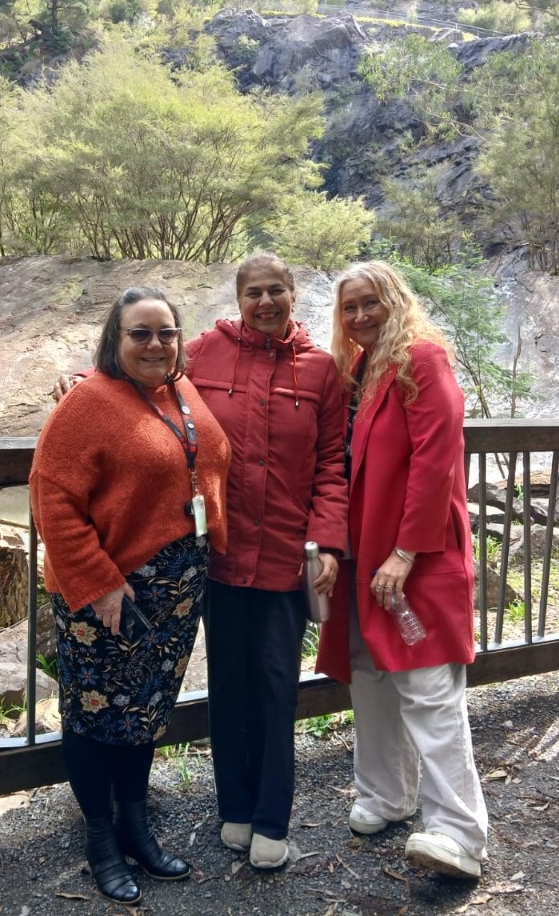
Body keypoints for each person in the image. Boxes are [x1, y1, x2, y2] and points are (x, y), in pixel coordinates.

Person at [54, 253, 349, 870]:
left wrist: (328, 540)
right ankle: (220, 816)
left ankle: (267, 820)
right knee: (215, 693)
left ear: (294, 295)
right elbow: (132, 379)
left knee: (267, 693)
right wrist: (79, 381)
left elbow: (330, 465)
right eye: (253, 293)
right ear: (237, 300)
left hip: (261, 563)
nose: (265, 303)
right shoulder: (208, 353)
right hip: (200, 565)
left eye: (276, 291)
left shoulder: (320, 370)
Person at [31, 286, 231, 905]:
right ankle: (100, 840)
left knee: (145, 711)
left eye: (165, 332)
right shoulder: (89, 402)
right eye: (139, 333)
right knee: (94, 716)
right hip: (110, 595)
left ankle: (135, 826)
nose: (154, 344)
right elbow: (52, 499)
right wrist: (99, 583)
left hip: (173, 594)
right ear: (114, 341)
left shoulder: (180, 390)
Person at [315, 260, 488, 881]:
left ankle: (459, 831)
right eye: (350, 307)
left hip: (415, 560)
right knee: (369, 677)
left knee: (427, 688)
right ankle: (388, 795)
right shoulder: (361, 370)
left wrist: (406, 551)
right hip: (365, 556)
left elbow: (435, 459)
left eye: (371, 303)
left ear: (395, 300)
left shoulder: (423, 359)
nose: (360, 316)